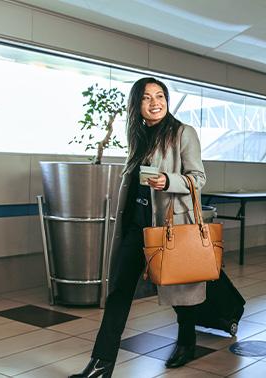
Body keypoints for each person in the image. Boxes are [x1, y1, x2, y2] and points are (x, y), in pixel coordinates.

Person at [71, 77, 207, 377]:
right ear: (137, 104)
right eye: (147, 98)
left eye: (160, 96)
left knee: (177, 287)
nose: (155, 102)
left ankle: (187, 339)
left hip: (168, 226)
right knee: (119, 291)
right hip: (136, 226)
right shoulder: (138, 135)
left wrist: (169, 181)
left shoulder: (183, 132)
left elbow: (198, 178)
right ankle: (101, 364)